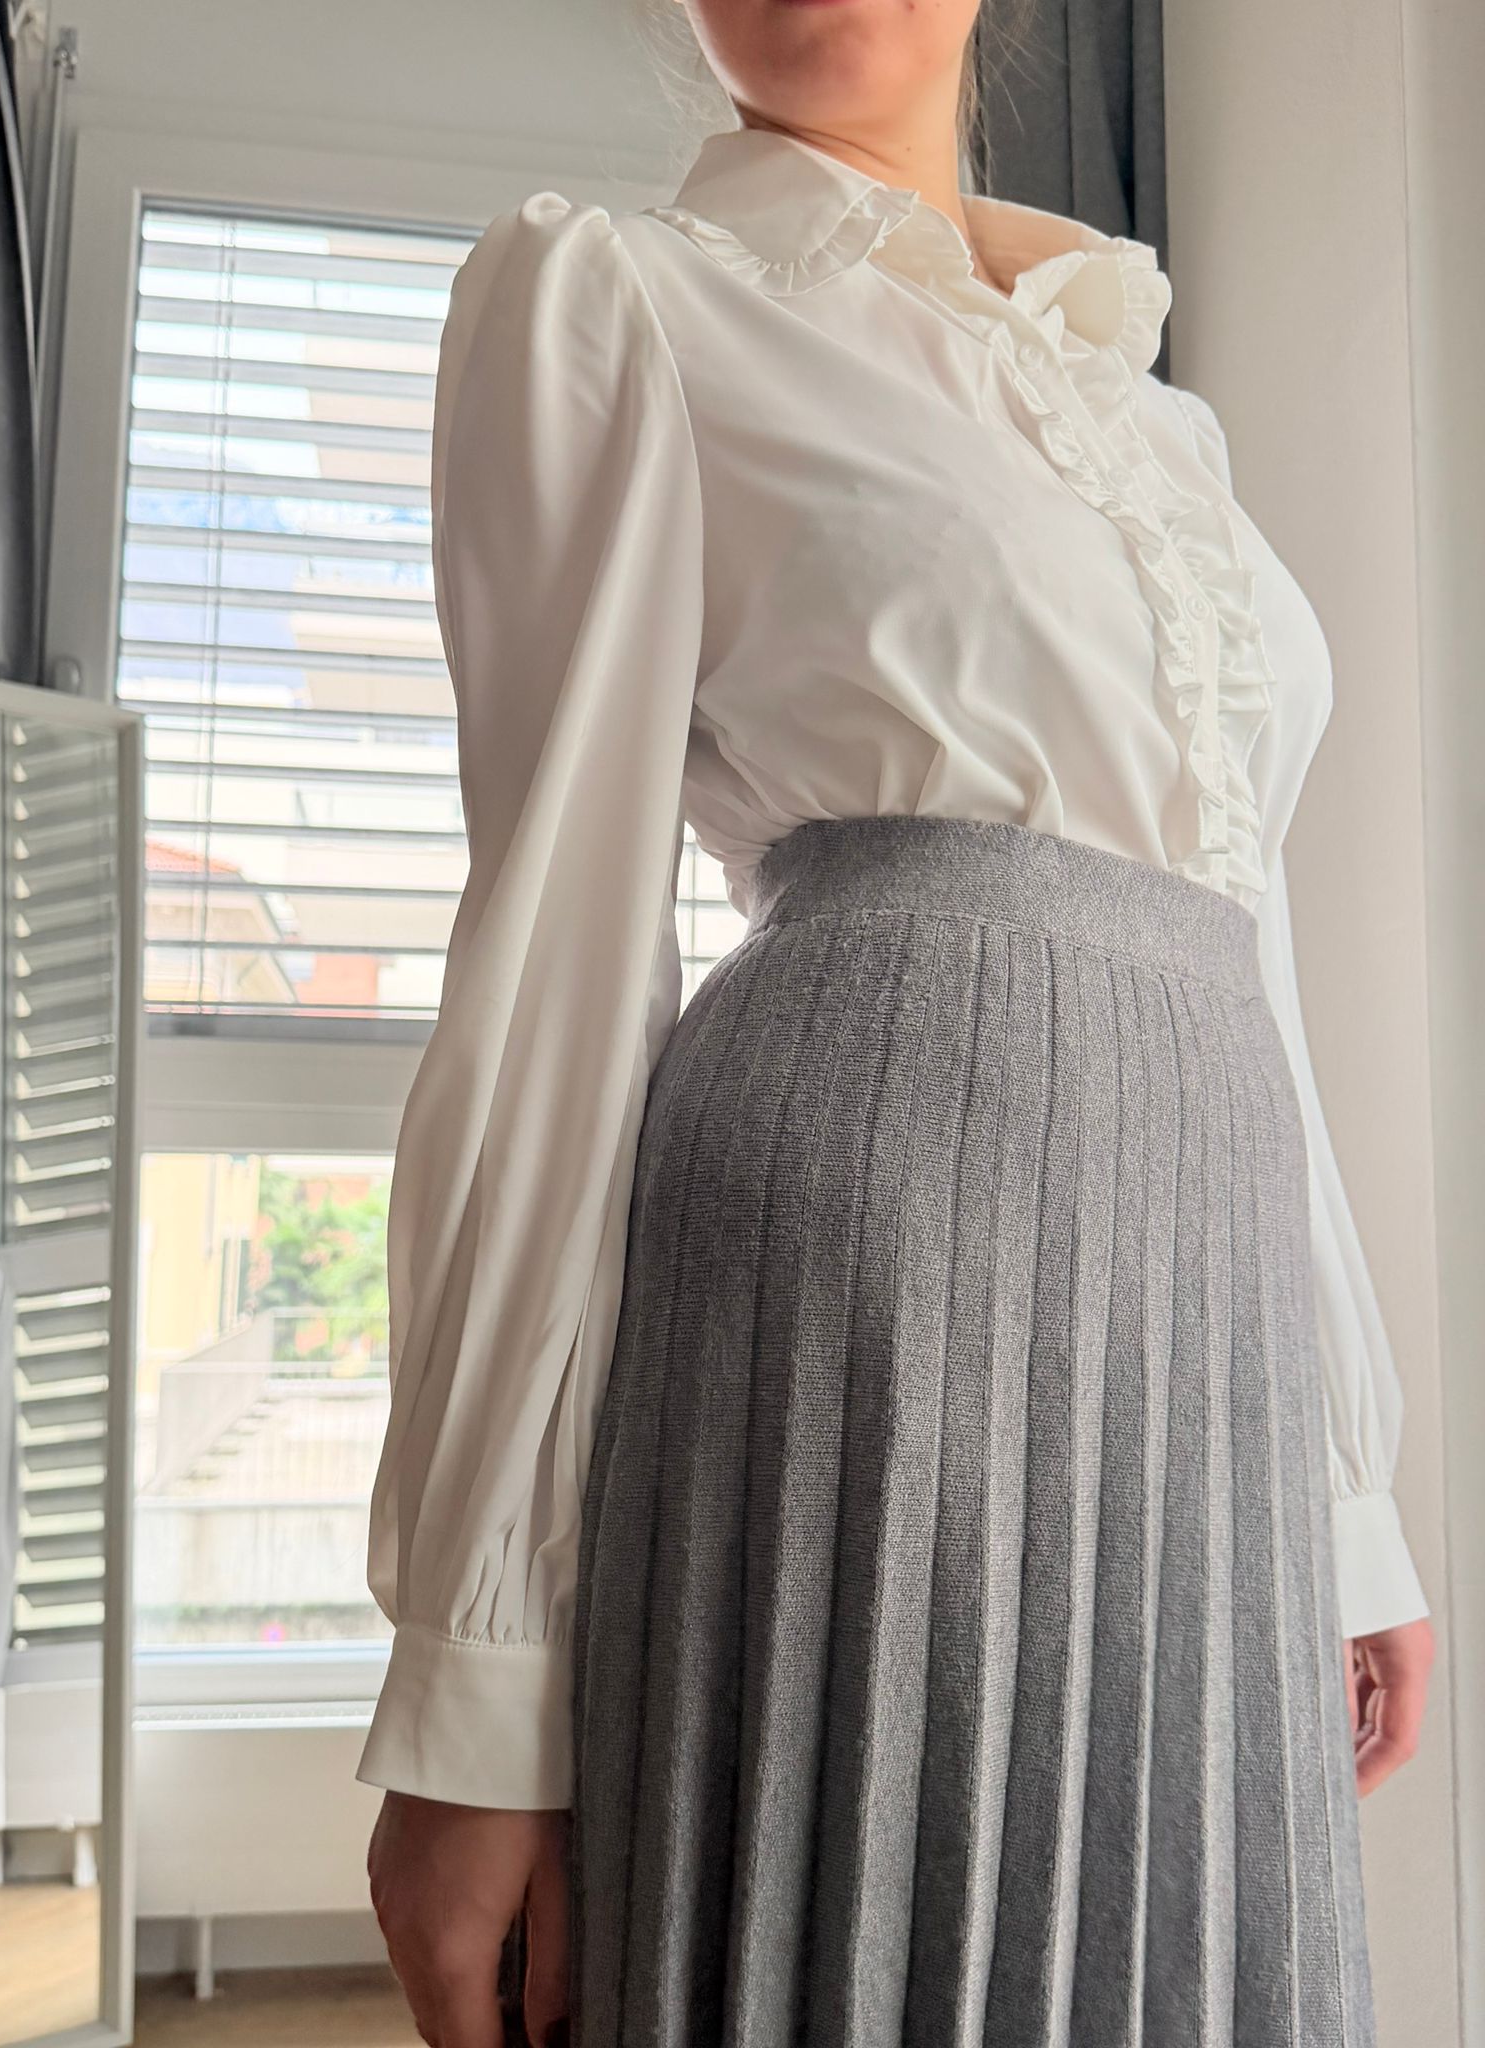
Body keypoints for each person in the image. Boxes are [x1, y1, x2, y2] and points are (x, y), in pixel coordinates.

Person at [359, 6, 1435, 2044]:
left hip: (1201, 1343)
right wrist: (475, 1683)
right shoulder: (626, 298)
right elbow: (554, 967)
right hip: (849, 1307)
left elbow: (1249, 948)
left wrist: (1340, 1483)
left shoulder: (1155, 421)